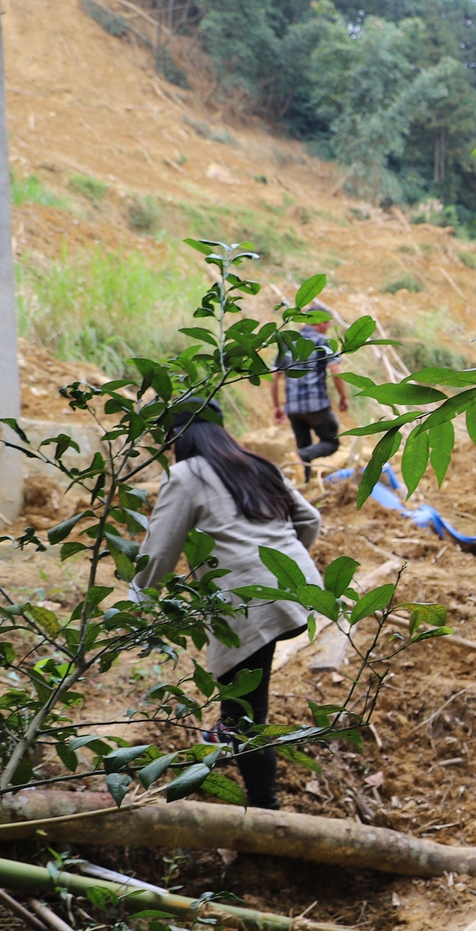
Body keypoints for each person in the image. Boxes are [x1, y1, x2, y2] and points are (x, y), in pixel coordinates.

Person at [136, 404, 323, 810]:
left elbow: (158, 554)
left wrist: (138, 601)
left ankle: (265, 808)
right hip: (296, 589)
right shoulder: (256, 464)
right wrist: (283, 571)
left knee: (245, 717)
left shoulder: (186, 475)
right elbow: (310, 519)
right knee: (244, 704)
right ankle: (229, 743)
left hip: (248, 602)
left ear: (176, 439)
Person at [271, 305, 349, 474]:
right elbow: (335, 371)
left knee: (304, 447)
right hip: (317, 405)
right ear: (319, 321)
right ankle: (299, 456)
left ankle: (303, 483)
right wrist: (344, 397)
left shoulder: (287, 342)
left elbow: (274, 376)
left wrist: (277, 406)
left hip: (293, 408)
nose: (328, 327)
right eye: (327, 323)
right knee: (331, 442)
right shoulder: (322, 341)